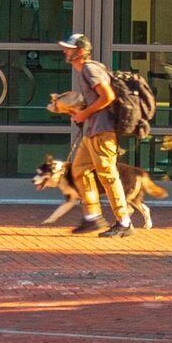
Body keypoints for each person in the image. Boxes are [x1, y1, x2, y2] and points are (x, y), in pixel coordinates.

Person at [52, 33, 130, 236]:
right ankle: (93, 217)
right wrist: (75, 111)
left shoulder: (89, 68)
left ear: (80, 51)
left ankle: (124, 222)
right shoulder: (85, 71)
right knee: (79, 169)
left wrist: (83, 114)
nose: (65, 51)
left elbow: (108, 96)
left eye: (69, 48)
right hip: (92, 131)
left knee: (108, 176)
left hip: (103, 132)